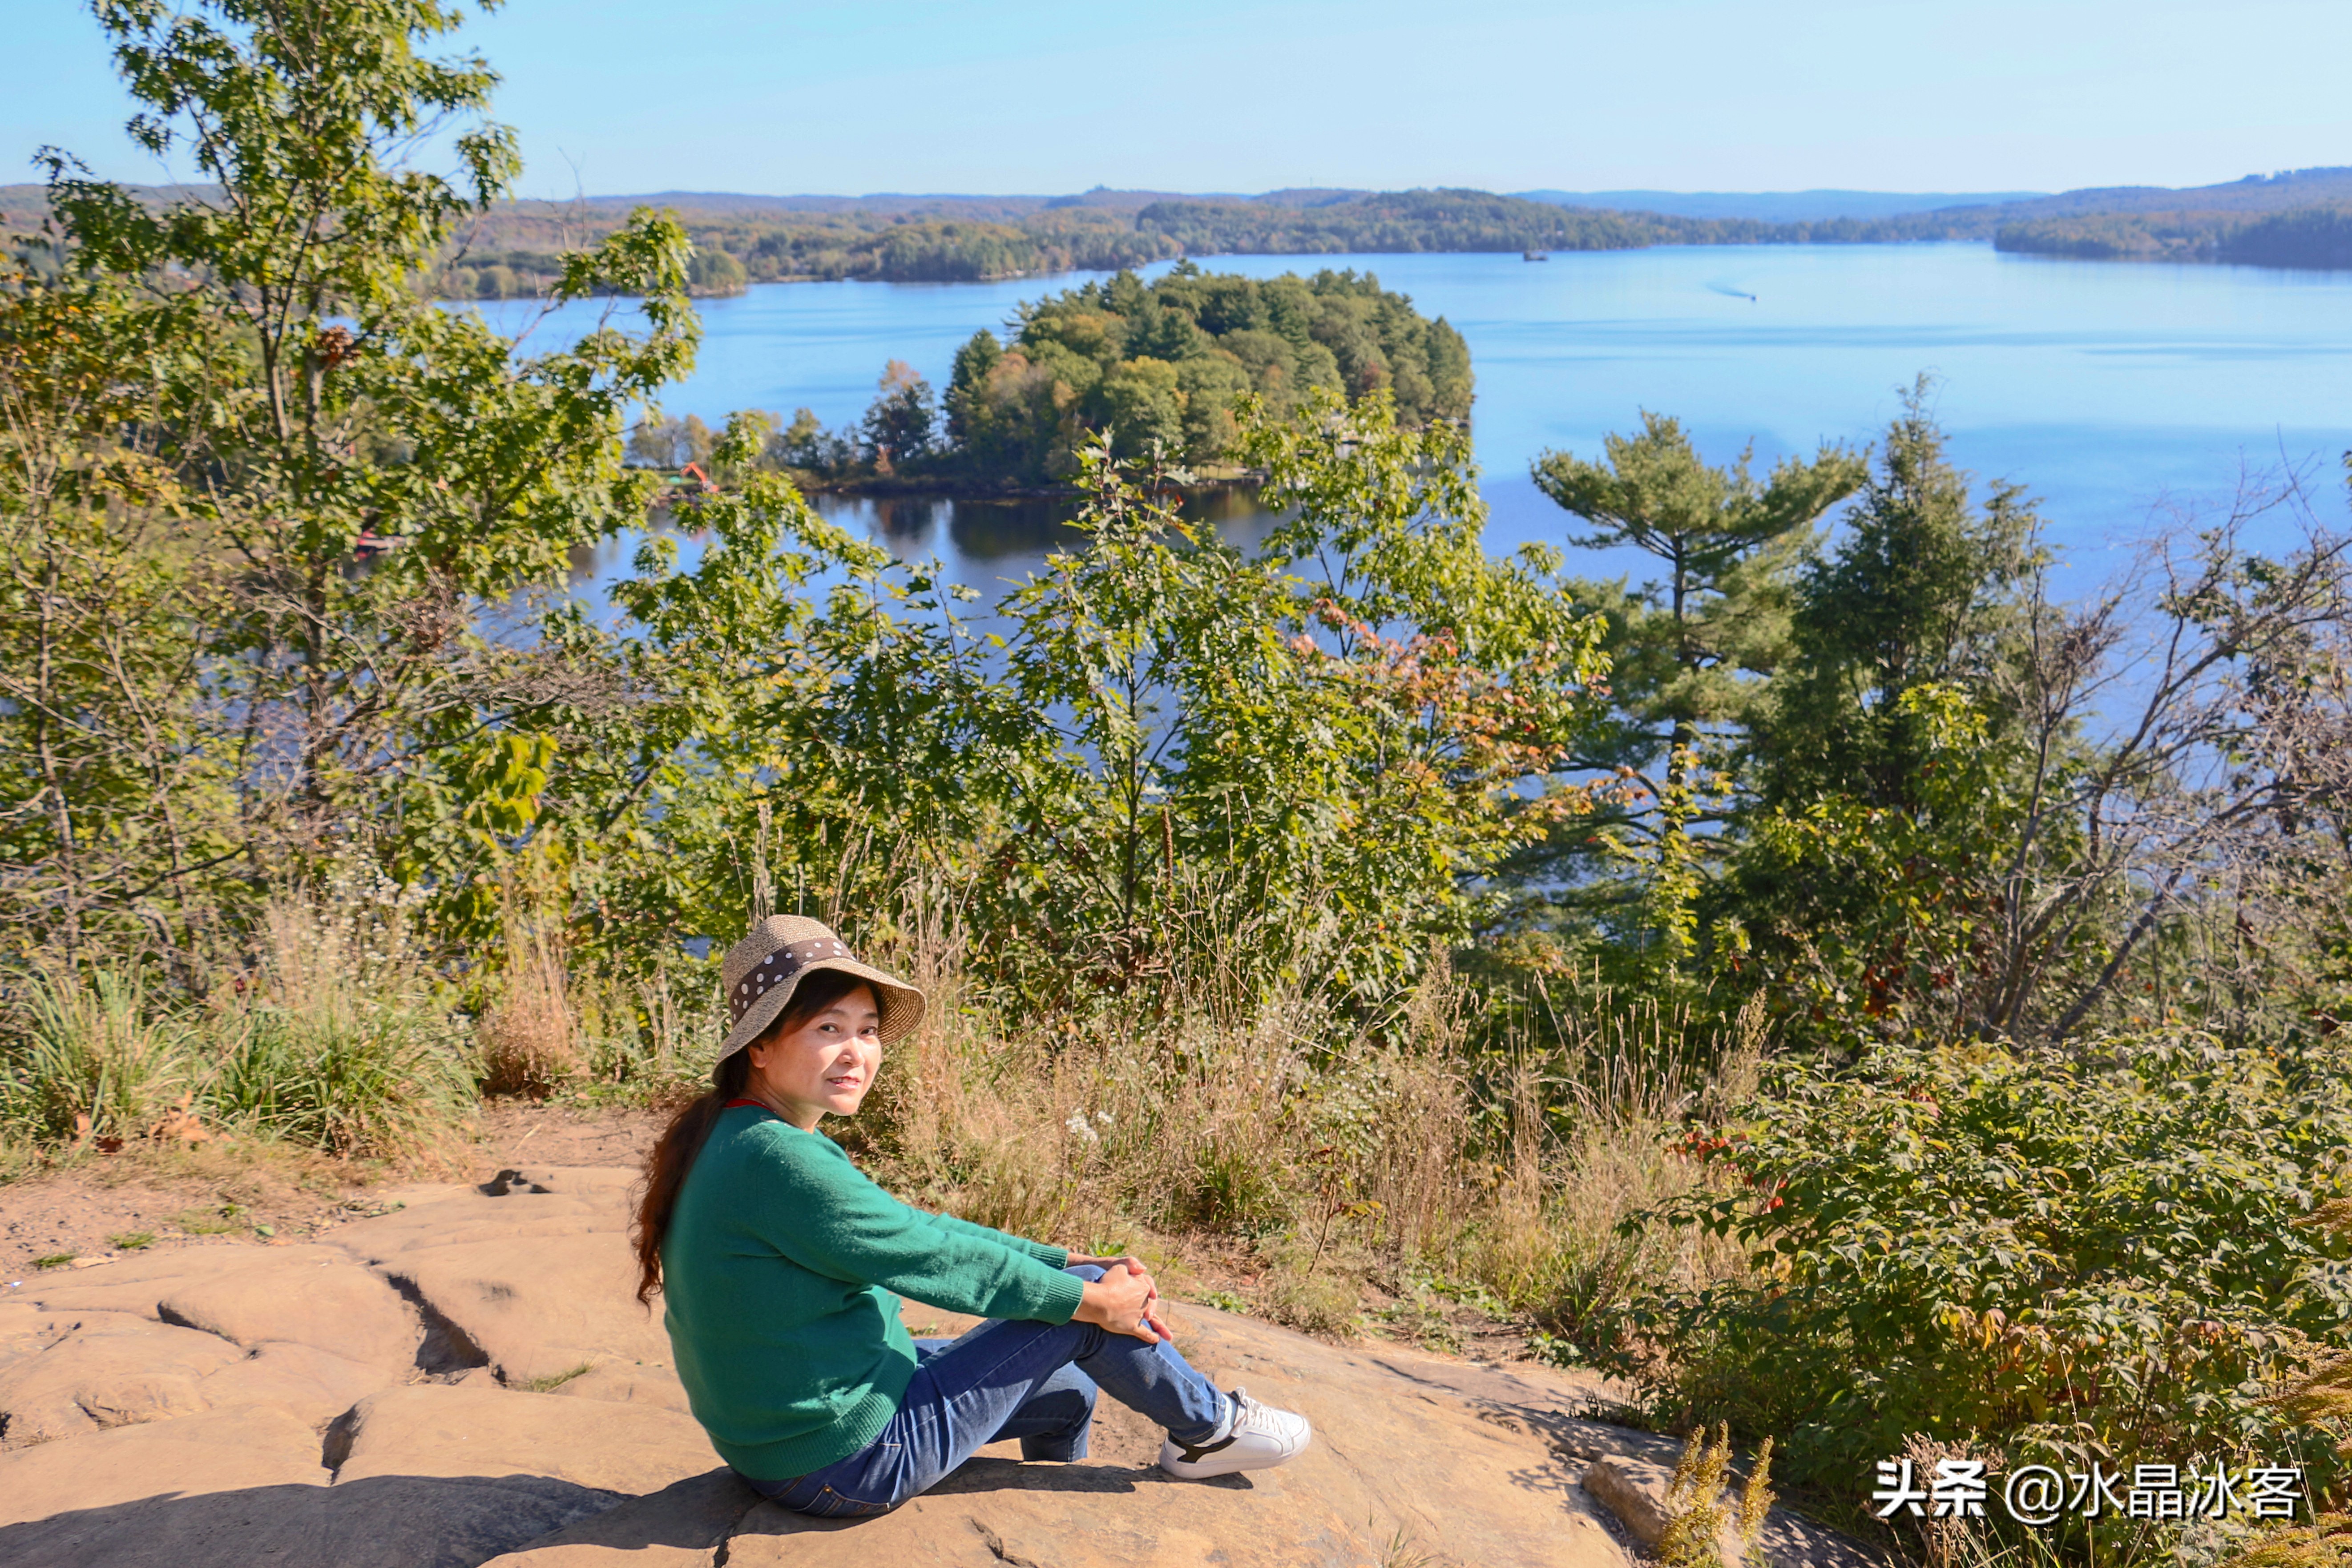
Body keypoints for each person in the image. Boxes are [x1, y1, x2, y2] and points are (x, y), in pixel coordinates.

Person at [632, 914, 1311, 1518]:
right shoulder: (780, 1161)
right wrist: (1092, 1296)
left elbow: (913, 1226)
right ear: (760, 1045)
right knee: (1090, 1322)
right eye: (828, 1029)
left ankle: (1049, 1516)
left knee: (1072, 1391)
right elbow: (932, 1261)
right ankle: (1212, 1430)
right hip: (844, 1459)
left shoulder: (739, 1134)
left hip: (794, 1428)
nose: (857, 1052)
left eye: (867, 1031)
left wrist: (1061, 1262)